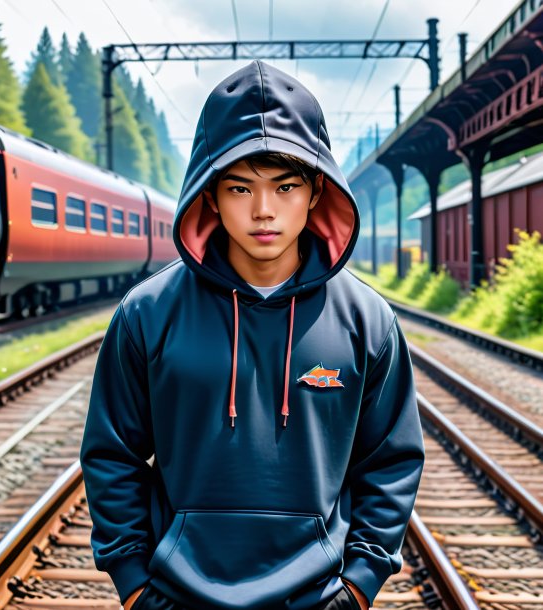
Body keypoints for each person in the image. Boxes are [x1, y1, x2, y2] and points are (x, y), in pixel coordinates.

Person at [80, 60, 424, 610]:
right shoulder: (146, 313)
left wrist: (359, 585)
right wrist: (134, 585)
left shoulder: (368, 321)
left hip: (319, 599)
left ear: (316, 192)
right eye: (240, 188)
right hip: (175, 597)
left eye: (285, 186)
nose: (263, 211)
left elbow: (391, 461)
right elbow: (111, 455)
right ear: (210, 195)